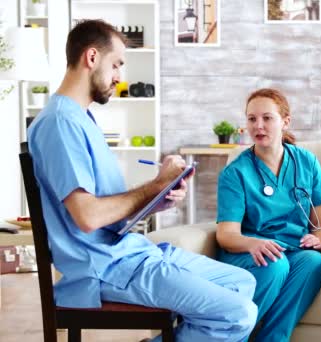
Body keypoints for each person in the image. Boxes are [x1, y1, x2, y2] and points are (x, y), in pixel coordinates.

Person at [27, 20, 257, 342]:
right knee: (237, 314)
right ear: (92, 57)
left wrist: (155, 198)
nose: (121, 76)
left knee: (242, 283)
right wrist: (154, 184)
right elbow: (88, 216)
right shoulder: (60, 123)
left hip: (128, 253)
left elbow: (107, 212)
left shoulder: (81, 119)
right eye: (117, 64)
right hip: (103, 267)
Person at [216, 88, 321, 341]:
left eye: (267, 118)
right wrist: (254, 243)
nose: (259, 126)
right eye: (252, 119)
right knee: (274, 263)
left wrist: (318, 239)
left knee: (315, 262)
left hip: (292, 249)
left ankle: (272, 338)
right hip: (249, 252)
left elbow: (320, 222)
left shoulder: (307, 162)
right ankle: (228, 335)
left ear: (285, 122)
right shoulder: (236, 173)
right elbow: (226, 235)